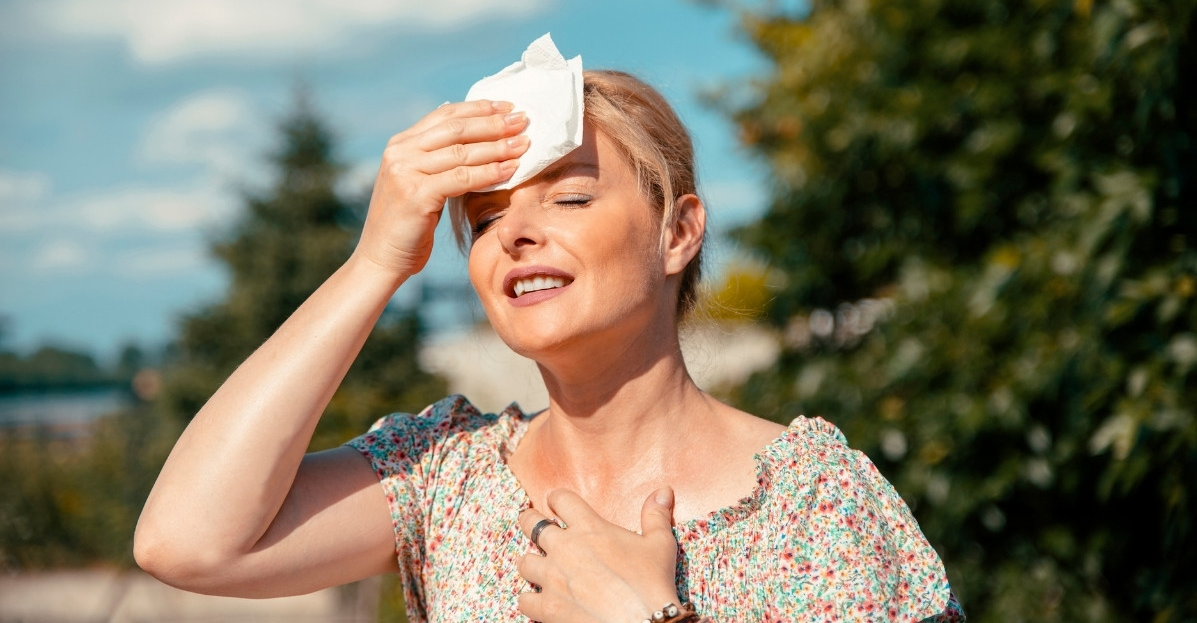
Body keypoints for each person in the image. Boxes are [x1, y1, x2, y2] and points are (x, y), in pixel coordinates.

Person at [135, 68, 965, 622]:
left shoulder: (817, 501)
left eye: (568, 197)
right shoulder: (444, 476)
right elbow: (188, 541)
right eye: (487, 219)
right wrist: (377, 260)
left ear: (677, 233)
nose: (517, 233)